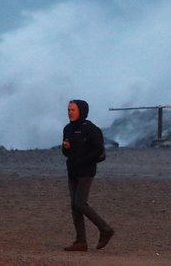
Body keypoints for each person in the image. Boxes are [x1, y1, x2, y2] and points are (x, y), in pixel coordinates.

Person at [61, 99, 115, 251]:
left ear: (81, 111)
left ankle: (105, 229)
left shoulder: (91, 129)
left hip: (86, 171)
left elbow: (98, 150)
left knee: (80, 203)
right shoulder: (67, 129)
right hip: (72, 171)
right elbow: (65, 153)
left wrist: (83, 162)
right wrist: (65, 147)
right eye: (68, 110)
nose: (70, 113)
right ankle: (80, 242)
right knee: (75, 205)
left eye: (73, 110)